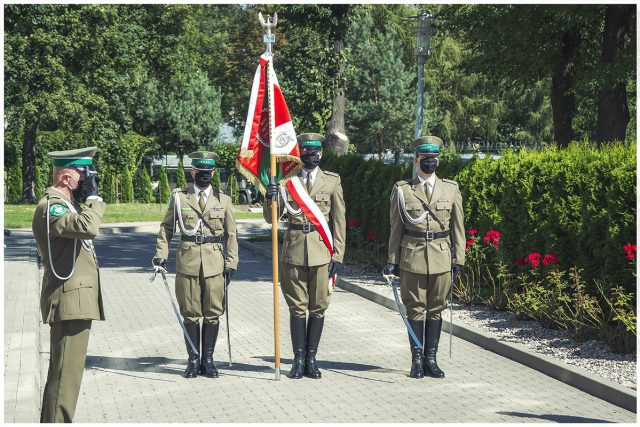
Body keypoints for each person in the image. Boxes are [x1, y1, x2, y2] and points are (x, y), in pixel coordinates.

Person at [263, 133, 346, 379]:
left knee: (318, 307)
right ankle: (298, 360)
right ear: (300, 154)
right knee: (297, 308)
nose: (311, 155)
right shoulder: (288, 181)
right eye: (307, 151)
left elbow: (339, 222)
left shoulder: (332, 181)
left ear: (321, 153)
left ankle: (312, 359)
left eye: (315, 151)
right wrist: (270, 196)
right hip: (294, 251)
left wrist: (338, 255)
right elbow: (272, 219)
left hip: (322, 252)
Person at [32, 146, 105, 422]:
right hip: (68, 300)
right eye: (82, 174)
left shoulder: (66, 205)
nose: (86, 180)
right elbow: (89, 227)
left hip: (75, 300)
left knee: (67, 376)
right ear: (65, 177)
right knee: (65, 378)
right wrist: (94, 199)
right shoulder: (52, 206)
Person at [384, 136, 465, 379]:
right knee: (416, 309)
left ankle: (432, 359)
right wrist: (392, 260)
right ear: (416, 160)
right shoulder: (403, 190)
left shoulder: (451, 189)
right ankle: (417, 360)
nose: (431, 162)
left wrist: (458, 258)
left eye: (434, 158)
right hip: (413, 256)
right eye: (426, 159)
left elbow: (458, 227)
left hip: (441, 256)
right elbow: (396, 228)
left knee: (437, 309)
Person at [152, 151, 238, 379]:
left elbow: (231, 234)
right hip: (188, 262)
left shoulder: (223, 199)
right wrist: (161, 255)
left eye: (209, 172)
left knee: (212, 313)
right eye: (201, 172)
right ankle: (192, 360)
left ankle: (207, 361)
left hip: (215, 263)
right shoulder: (180, 198)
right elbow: (166, 228)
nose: (206, 176)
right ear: (193, 172)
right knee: (190, 313)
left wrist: (231, 263)